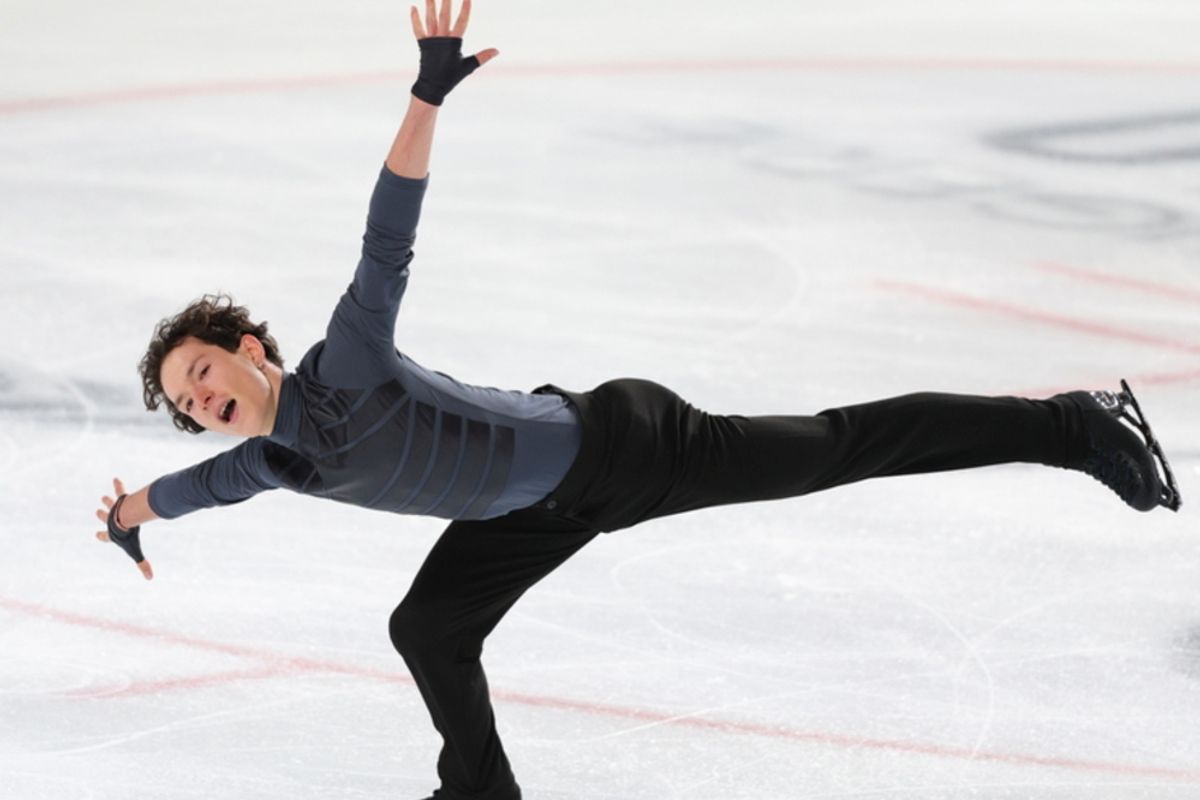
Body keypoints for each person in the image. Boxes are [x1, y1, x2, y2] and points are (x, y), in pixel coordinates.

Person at [94, 2, 1181, 798]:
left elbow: (389, 230)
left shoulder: (351, 360)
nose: (202, 402)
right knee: (428, 625)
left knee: (838, 445)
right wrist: (122, 520)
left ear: (248, 349)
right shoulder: (269, 461)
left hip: (621, 446)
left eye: (202, 375)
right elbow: (180, 494)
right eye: (188, 402)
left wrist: (425, 94)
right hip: (523, 518)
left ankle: (1071, 423)